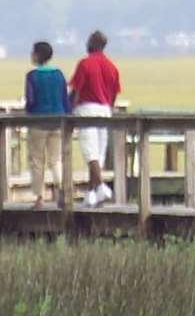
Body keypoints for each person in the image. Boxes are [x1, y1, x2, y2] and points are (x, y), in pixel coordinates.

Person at [68, 28, 123, 203]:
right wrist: (110, 108)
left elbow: (76, 90)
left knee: (90, 151)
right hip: (105, 109)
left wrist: (69, 109)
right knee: (99, 152)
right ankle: (92, 195)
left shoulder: (85, 64)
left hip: (87, 109)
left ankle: (100, 186)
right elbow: (114, 94)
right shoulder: (112, 67)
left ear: (92, 44)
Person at [20, 39, 72, 201]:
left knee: (36, 160)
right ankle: (62, 189)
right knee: (55, 159)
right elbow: (65, 100)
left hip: (37, 123)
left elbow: (31, 101)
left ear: (36, 55)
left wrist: (27, 111)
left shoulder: (32, 76)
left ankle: (39, 197)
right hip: (57, 121)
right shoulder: (59, 74)